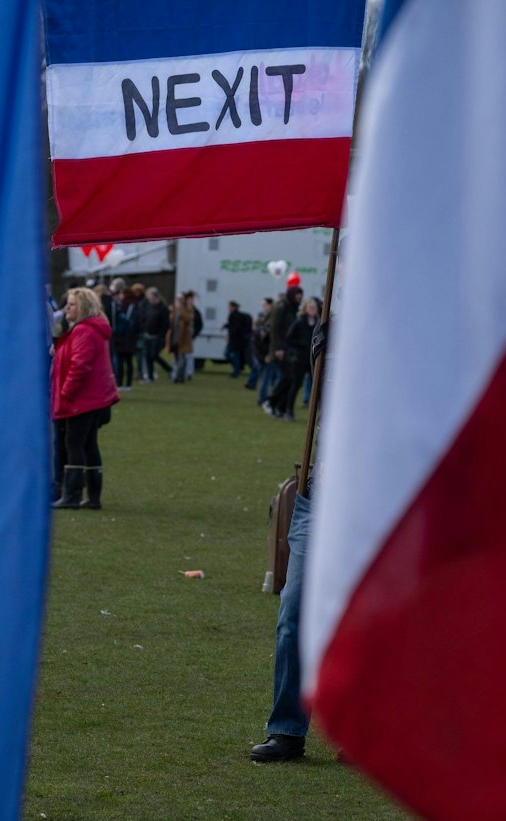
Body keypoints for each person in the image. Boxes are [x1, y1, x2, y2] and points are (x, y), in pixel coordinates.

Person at [251, 309, 330, 764]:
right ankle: (287, 730)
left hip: (378, 501)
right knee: (293, 614)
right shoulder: (337, 339)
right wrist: (320, 358)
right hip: (318, 496)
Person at [52, 287, 120, 510]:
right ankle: (92, 496)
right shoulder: (90, 329)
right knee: (89, 444)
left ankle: (71, 494)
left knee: (74, 442)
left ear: (82, 307)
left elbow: (80, 366)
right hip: (93, 397)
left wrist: (66, 393)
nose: (66, 308)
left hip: (82, 399)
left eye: (71, 305)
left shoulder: (83, 331)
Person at [269, 295, 318, 421]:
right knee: (296, 384)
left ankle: (314, 413)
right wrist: (301, 346)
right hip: (300, 358)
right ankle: (288, 410)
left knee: (316, 385)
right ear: (305, 309)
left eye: (314, 307)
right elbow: (289, 339)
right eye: (310, 307)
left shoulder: (318, 324)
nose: (312, 309)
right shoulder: (299, 323)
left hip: (313, 358)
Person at [142, 287, 172, 383]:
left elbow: (165, 324)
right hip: (148, 335)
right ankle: (150, 377)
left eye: (151, 298)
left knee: (154, 355)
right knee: (148, 356)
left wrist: (161, 335)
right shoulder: (150, 307)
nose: (150, 301)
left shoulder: (163, 308)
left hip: (156, 336)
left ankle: (169, 369)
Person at [171, 290, 198, 382]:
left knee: (182, 357)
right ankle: (177, 375)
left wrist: (181, 310)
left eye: (180, 299)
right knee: (176, 357)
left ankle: (178, 376)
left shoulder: (187, 309)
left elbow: (189, 318)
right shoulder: (174, 308)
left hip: (183, 337)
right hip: (175, 335)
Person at [225, 300, 253, 379]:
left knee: (229, 354)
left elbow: (235, 327)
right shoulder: (235, 315)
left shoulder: (234, 315)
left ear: (233, 307)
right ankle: (237, 370)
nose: (228, 308)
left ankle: (236, 370)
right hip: (236, 340)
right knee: (233, 355)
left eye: (229, 306)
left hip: (235, 340)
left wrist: (230, 335)